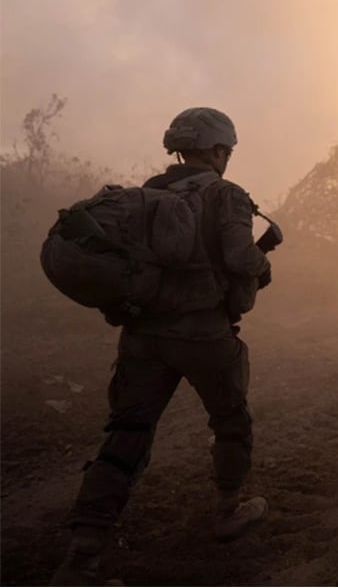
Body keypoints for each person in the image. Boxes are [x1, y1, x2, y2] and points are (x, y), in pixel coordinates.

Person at [52, 107, 274, 586]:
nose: (228, 159)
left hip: (145, 335)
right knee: (231, 422)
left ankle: (83, 552)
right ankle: (228, 510)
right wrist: (261, 262)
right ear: (217, 151)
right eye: (227, 151)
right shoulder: (226, 194)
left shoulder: (150, 191)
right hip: (205, 336)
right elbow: (239, 255)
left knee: (127, 431)